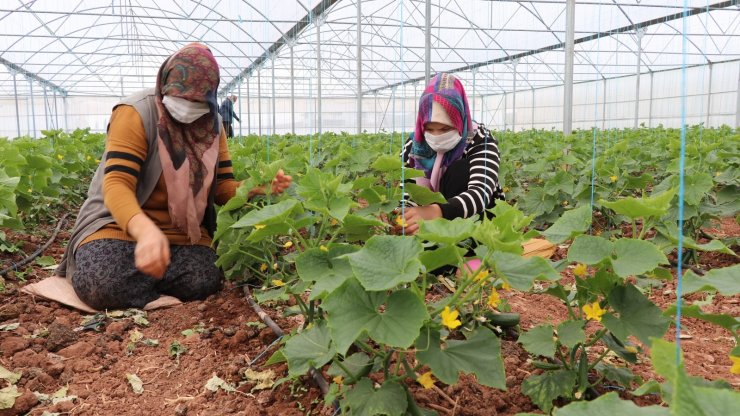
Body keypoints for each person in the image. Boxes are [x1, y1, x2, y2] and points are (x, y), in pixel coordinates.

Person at [55, 43, 291, 310]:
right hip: (118, 225)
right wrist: (145, 233)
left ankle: (143, 285)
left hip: (181, 233)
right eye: (181, 97)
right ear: (166, 84)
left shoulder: (213, 125)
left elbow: (223, 187)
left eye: (197, 100)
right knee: (102, 284)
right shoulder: (135, 112)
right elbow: (117, 184)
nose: (188, 106)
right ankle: (148, 283)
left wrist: (257, 188)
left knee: (204, 280)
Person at [399, 73, 505, 235]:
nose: (436, 135)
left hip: (478, 220)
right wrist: (405, 216)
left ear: (459, 120)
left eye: (445, 129)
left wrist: (436, 211)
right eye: (429, 128)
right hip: (429, 221)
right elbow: (406, 192)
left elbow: (481, 193)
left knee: (459, 170)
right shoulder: (414, 146)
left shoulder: (480, 140)